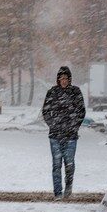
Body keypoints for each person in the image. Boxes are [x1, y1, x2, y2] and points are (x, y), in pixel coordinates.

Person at [42, 66, 86, 199]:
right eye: (61, 78)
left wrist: (74, 126)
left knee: (69, 163)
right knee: (56, 164)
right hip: (55, 135)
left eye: (66, 78)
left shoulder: (75, 92)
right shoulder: (52, 92)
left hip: (71, 135)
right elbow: (45, 111)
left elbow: (81, 111)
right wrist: (53, 124)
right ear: (58, 79)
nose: (64, 81)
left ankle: (68, 189)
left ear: (70, 79)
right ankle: (57, 193)